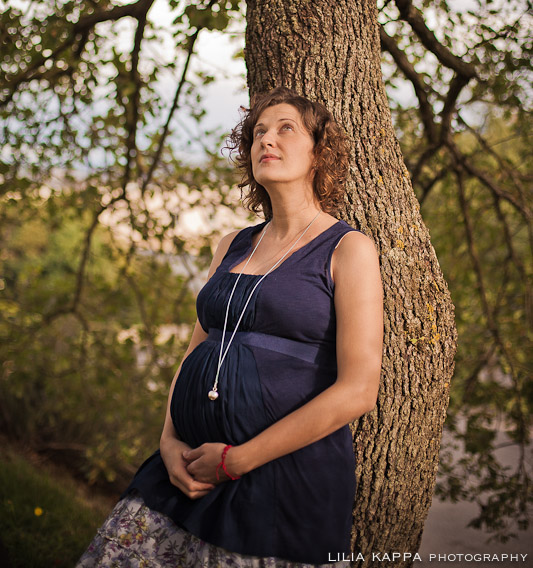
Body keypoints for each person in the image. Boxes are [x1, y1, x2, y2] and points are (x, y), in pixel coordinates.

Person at [76, 86, 384, 568]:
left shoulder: (348, 249)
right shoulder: (231, 245)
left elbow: (359, 390)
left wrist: (237, 461)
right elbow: (194, 353)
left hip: (282, 481)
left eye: (286, 129)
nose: (267, 139)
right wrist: (169, 442)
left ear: (319, 153)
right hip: (186, 467)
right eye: (259, 131)